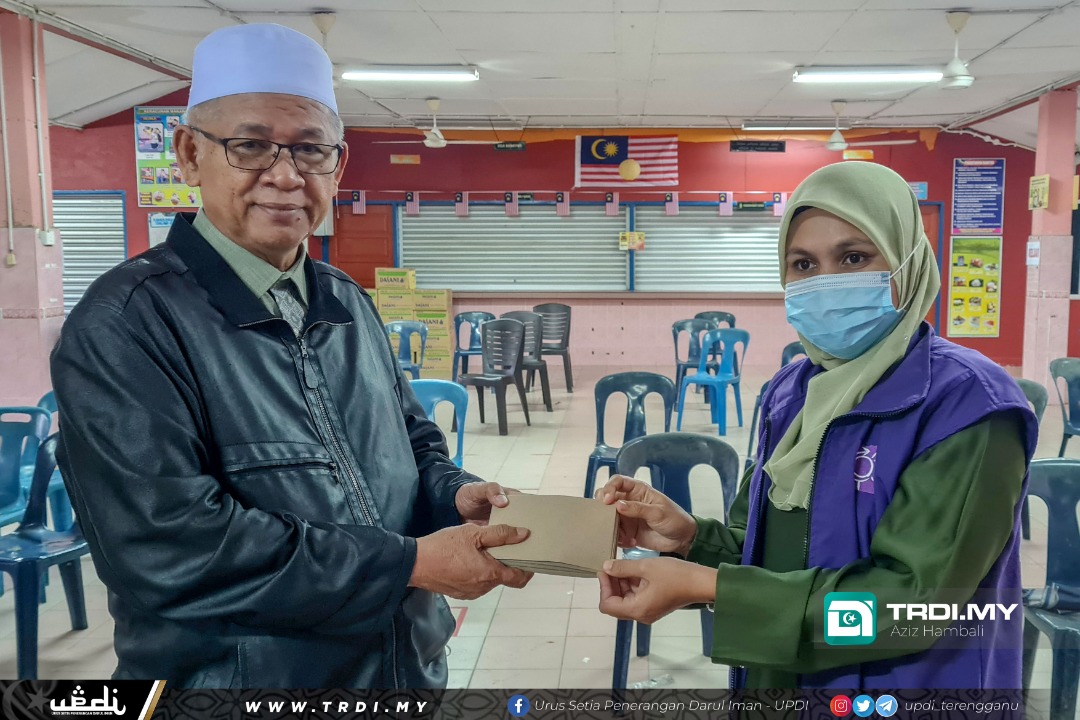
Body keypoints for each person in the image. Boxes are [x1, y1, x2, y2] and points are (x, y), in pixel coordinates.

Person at [50, 23, 531, 689]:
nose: (284, 176)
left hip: (400, 672)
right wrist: (407, 565)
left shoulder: (346, 302)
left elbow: (411, 444)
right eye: (250, 146)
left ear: (337, 163)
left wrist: (457, 498)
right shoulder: (128, 323)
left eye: (310, 151)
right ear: (189, 155)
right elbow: (171, 549)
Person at [597, 162, 1038, 689]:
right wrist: (691, 538)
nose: (826, 282)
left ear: (908, 263)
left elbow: (917, 605)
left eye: (854, 257)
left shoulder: (966, 405)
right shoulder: (793, 392)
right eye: (803, 264)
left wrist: (714, 589)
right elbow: (766, 543)